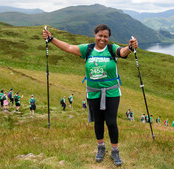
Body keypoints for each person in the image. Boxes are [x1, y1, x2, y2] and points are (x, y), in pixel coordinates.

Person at [43, 24, 138, 166]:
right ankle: (101, 148)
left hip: (111, 91)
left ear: (108, 37)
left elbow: (122, 52)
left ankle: (115, 151)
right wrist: (51, 39)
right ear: (95, 35)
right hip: (93, 93)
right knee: (98, 121)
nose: (102, 38)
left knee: (111, 122)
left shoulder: (111, 49)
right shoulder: (87, 49)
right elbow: (68, 47)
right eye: (100, 35)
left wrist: (130, 48)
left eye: (105, 36)